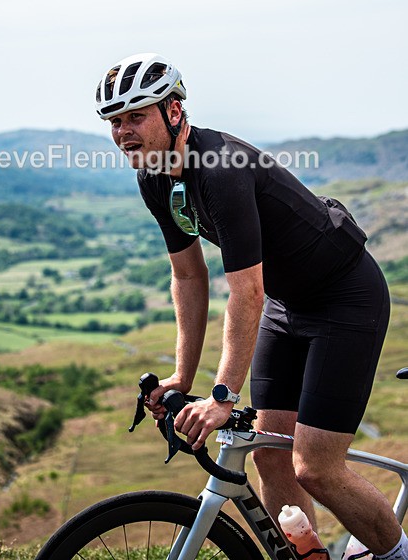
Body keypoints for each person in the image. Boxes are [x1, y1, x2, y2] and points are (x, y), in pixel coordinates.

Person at [95, 52, 408, 560]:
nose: (123, 132)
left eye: (136, 117)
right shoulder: (154, 176)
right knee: (269, 457)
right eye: (115, 122)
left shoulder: (219, 168)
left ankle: (397, 553)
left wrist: (222, 394)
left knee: (316, 467)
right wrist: (180, 376)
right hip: (288, 306)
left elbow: (246, 293)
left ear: (174, 112)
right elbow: (189, 276)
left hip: (344, 297)